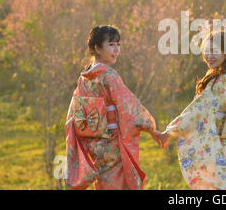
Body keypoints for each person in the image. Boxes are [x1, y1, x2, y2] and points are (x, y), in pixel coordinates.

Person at [159, 30, 226, 189]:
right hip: (219, 146)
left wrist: (170, 130)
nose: (209, 55)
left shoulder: (221, 81)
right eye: (206, 51)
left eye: (214, 51)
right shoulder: (222, 77)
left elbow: (197, 109)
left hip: (215, 147)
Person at [65, 25, 165, 190]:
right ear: (97, 48)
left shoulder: (83, 78)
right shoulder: (108, 75)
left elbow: (73, 114)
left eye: (118, 44)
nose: (117, 49)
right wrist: (152, 130)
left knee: (103, 184)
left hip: (95, 146)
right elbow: (129, 108)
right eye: (111, 45)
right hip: (112, 146)